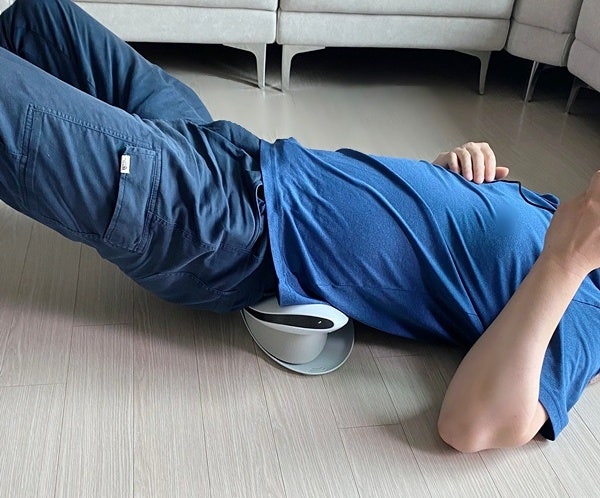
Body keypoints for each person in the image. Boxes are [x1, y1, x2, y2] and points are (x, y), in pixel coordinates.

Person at [1, 0, 600, 454]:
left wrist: (566, 260)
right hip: (239, 152)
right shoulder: (558, 213)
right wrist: (450, 177)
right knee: (39, 18)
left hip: (228, 225)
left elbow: (471, 426)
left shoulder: (587, 304)